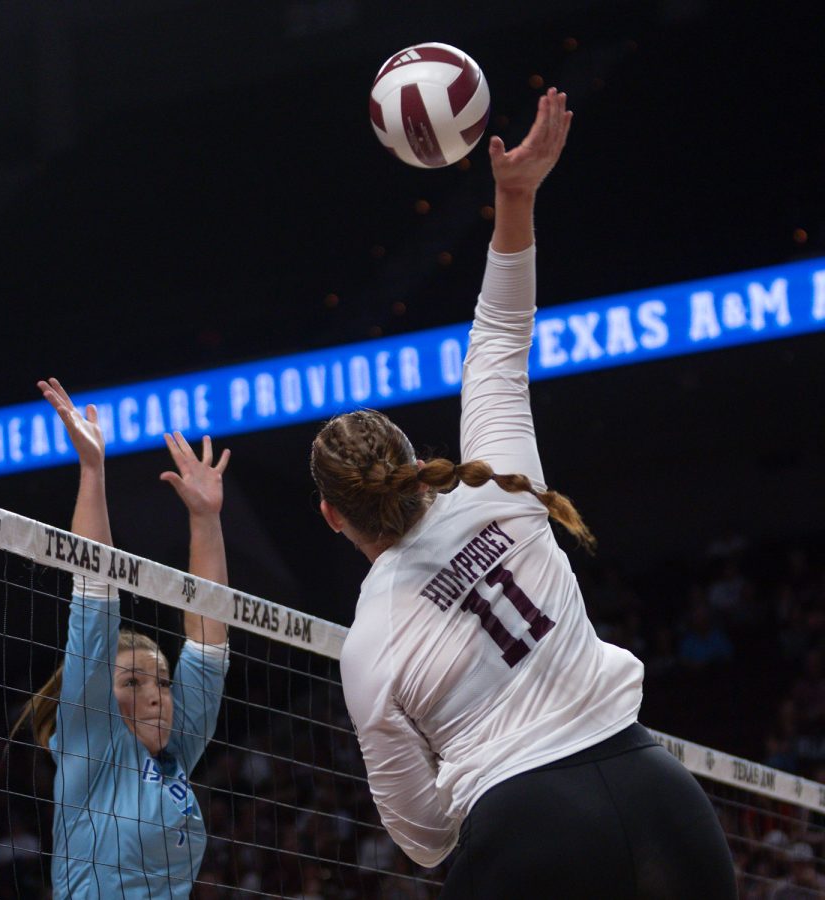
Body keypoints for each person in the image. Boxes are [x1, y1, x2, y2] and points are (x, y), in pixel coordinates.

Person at [309, 89, 736, 898]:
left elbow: (426, 839)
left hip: (525, 833)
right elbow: (500, 336)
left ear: (333, 516)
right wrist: (515, 195)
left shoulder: (369, 643)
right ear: (413, 458)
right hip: (657, 793)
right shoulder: (497, 482)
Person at [10, 378, 230, 898]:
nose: (156, 693)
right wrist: (93, 471)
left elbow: (209, 635)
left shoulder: (173, 753)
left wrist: (205, 519)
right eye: (133, 681)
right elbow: (94, 590)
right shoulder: (91, 741)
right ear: (95, 697)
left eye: (162, 682)